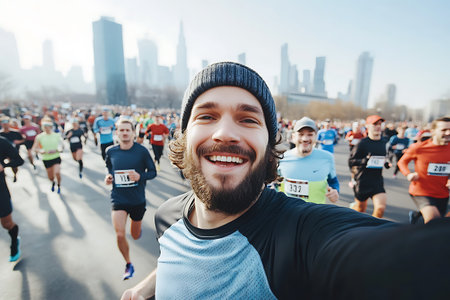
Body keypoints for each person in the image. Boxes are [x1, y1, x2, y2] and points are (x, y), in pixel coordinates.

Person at [121, 62, 450, 300]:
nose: (225, 133)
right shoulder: (167, 216)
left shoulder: (300, 236)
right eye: (206, 116)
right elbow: (181, 258)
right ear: (183, 136)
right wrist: (144, 289)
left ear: (270, 147)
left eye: (248, 119)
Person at [104, 118, 157, 280]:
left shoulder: (141, 151)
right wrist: (108, 178)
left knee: (134, 235)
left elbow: (153, 172)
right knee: (120, 235)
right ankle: (128, 264)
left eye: (128, 130)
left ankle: (137, 230)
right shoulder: (110, 151)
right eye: (121, 130)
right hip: (118, 198)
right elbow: (110, 168)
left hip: (137, 200)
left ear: (133, 132)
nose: (125, 133)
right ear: (117, 132)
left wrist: (140, 176)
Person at [398, 116, 450, 224]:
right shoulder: (419, 148)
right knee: (434, 220)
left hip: (443, 193)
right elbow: (402, 162)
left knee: (441, 221)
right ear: (433, 131)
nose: (448, 133)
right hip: (421, 192)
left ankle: (417, 216)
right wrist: (408, 174)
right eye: (444, 130)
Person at [277, 116, 339, 204]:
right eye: (301, 134)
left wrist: (335, 191)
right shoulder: (281, 158)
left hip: (315, 214)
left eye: (310, 134)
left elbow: (333, 181)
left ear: (316, 137)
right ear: (293, 137)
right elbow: (274, 183)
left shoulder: (328, 158)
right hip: (288, 214)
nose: (305, 139)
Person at [348, 115, 391, 218]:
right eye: (375, 124)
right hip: (362, 181)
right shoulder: (362, 143)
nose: (378, 126)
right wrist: (365, 160)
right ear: (367, 126)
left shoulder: (384, 142)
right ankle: (352, 209)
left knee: (380, 208)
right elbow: (351, 161)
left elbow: (383, 158)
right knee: (360, 210)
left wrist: (386, 163)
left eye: (380, 124)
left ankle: (372, 232)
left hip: (377, 181)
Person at [1, 136, 24, 262]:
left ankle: (14, 241)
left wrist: (4, 164)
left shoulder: (1, 142)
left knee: (6, 224)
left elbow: (19, 160)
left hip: (0, 190)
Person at [32, 117, 64, 193]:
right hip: (46, 159)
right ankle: (53, 182)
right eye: (44, 126)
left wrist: (58, 149)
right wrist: (40, 151)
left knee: (57, 172)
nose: (46, 128)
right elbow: (34, 148)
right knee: (50, 177)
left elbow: (62, 146)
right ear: (42, 127)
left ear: (51, 126)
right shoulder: (39, 137)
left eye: (48, 126)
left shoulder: (57, 135)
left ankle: (59, 185)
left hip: (56, 157)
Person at [0, 116, 25, 182]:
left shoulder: (15, 132)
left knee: (14, 166)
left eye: (6, 122)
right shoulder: (1, 135)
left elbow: (23, 140)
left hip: (14, 152)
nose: (5, 124)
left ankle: (15, 174)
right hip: (3, 154)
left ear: (9, 123)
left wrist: (18, 142)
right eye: (3, 122)